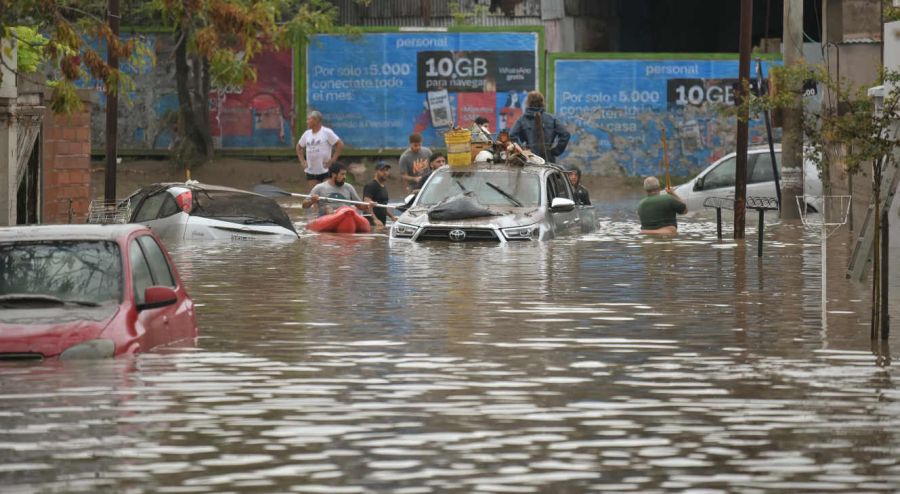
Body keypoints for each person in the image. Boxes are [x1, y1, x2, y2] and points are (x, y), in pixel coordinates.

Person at [509, 90, 570, 162]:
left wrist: (522, 151)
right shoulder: (551, 119)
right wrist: (555, 151)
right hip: (548, 158)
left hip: (529, 158)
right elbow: (565, 134)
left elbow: (511, 135)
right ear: (542, 102)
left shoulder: (522, 119)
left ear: (528, 102)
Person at [302, 162, 372, 217]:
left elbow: (360, 206)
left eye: (345, 174)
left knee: (351, 209)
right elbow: (304, 205)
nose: (344, 177)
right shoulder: (319, 187)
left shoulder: (349, 187)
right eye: (342, 174)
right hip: (327, 216)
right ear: (333, 175)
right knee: (328, 208)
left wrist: (368, 205)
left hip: (345, 215)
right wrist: (311, 201)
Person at [296, 110, 344, 187]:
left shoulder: (326, 132)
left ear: (316, 120)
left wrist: (332, 160)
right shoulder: (307, 134)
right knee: (314, 195)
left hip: (325, 170)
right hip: (311, 170)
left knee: (326, 194)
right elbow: (298, 147)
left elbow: (340, 144)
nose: (307, 122)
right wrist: (302, 161)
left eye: (309, 119)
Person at [363, 161, 397, 228]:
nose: (385, 173)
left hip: (381, 223)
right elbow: (367, 204)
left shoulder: (383, 187)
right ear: (376, 171)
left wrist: (392, 217)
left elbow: (383, 206)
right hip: (372, 224)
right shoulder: (371, 185)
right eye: (382, 170)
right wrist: (375, 219)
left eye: (387, 170)